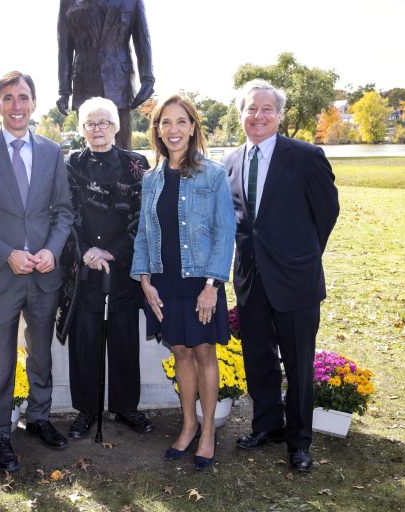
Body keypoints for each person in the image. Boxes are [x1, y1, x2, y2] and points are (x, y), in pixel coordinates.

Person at [0, 71, 74, 473]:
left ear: (34, 103)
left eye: (23, 97)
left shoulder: (51, 151)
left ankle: (39, 417)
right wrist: (6, 254)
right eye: (8, 98)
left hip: (43, 275)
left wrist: (52, 251)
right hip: (1, 275)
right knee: (1, 357)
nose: (16, 105)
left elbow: (63, 212)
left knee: (41, 352)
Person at [222, 79, 340, 472]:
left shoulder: (306, 156)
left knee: (298, 364)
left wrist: (302, 256)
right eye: (250, 109)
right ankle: (267, 425)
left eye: (266, 109)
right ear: (241, 114)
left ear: (279, 114)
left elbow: (326, 212)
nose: (258, 116)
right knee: (259, 360)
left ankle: (299, 441)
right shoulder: (232, 161)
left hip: (295, 281)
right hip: (251, 281)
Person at [131, 95, 234, 470]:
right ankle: (188, 425)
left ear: (193, 127)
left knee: (204, 353)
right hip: (164, 280)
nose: (173, 130)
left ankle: (208, 431)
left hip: (200, 281)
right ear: (156, 130)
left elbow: (226, 233)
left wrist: (212, 285)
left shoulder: (214, 174)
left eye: (180, 122)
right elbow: (144, 233)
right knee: (180, 353)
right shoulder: (150, 179)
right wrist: (144, 278)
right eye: (165, 123)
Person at [56, 97, 154, 439]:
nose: (97, 129)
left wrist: (110, 252)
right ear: (82, 129)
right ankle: (86, 410)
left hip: (123, 268)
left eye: (103, 123)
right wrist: (86, 252)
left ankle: (127, 408)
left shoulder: (136, 164)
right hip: (84, 270)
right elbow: (65, 215)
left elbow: (142, 217)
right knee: (85, 342)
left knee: (125, 340)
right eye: (90, 124)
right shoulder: (70, 165)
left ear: (115, 126)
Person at [57, 0, 154, 149]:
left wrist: (147, 78)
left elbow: (142, 38)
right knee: (90, 146)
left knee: (122, 148)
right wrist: (64, 90)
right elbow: (64, 47)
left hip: (120, 83)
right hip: (84, 82)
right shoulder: (68, 2)